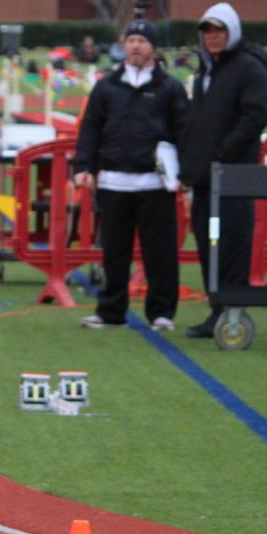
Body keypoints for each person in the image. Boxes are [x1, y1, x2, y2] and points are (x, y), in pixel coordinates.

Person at [72, 18, 187, 331]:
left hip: (155, 183)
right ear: (124, 46)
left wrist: (186, 174)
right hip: (113, 182)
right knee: (114, 254)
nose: (136, 46)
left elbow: (184, 132)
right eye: (131, 40)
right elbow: (90, 129)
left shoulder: (170, 88)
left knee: (160, 253)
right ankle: (111, 312)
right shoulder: (106, 85)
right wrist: (83, 167)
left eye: (142, 41)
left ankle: (162, 313)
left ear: (153, 47)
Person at [178, 3, 267, 339]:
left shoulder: (250, 69)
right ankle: (217, 310)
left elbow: (255, 117)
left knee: (231, 243)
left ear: (232, 31)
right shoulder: (207, 71)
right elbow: (197, 124)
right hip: (207, 180)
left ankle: (232, 310)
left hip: (233, 179)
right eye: (207, 32)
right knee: (208, 242)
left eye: (219, 31)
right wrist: (189, 169)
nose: (213, 38)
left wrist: (222, 154)